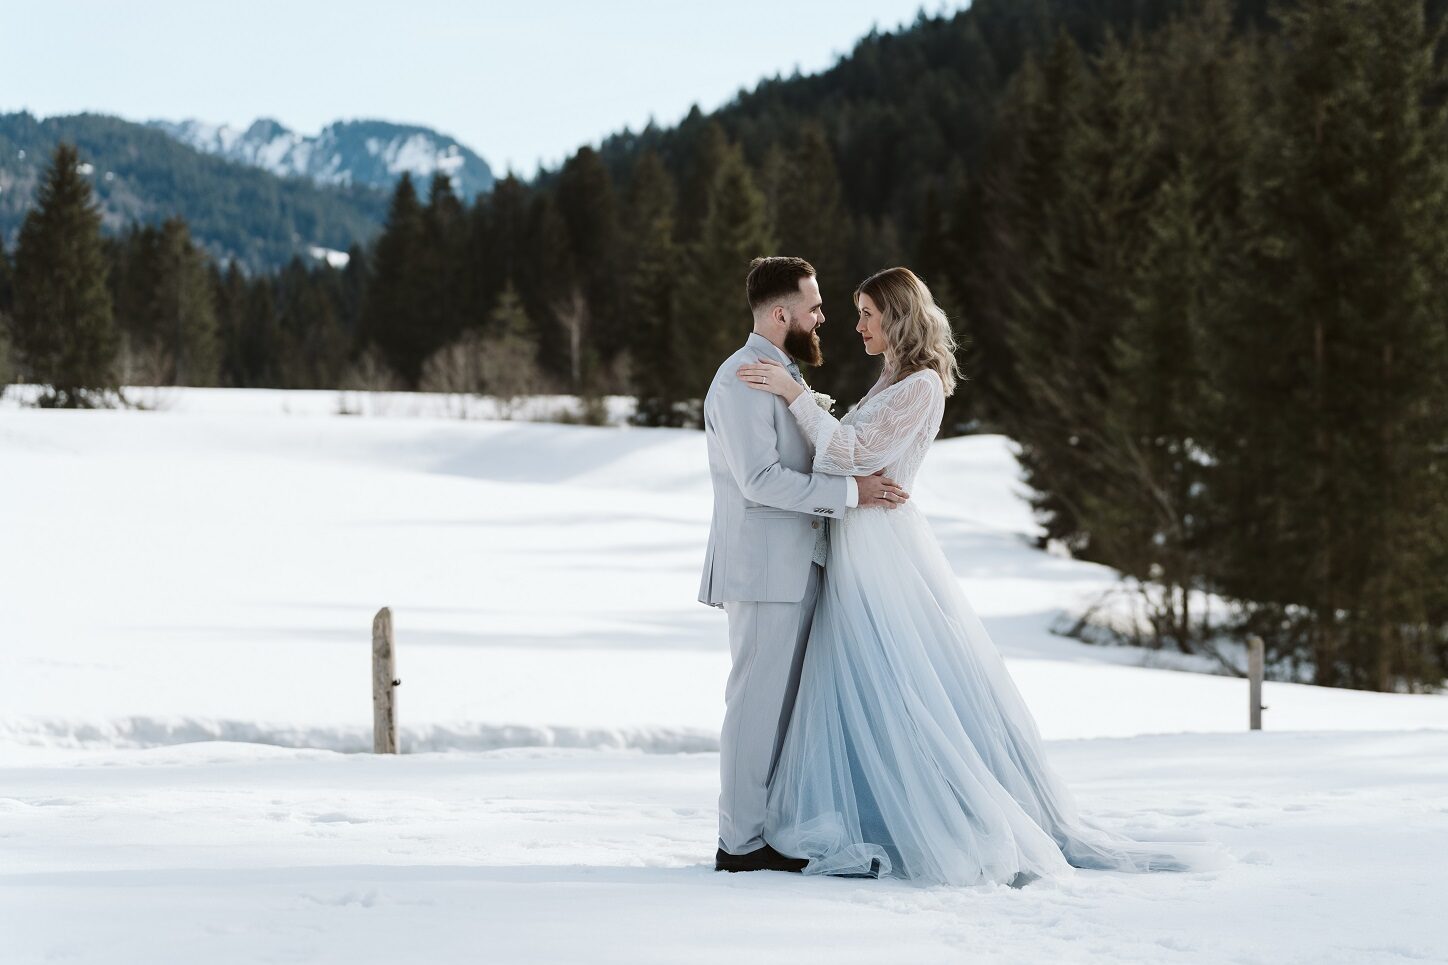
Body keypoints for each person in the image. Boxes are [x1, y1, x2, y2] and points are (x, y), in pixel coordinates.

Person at [735, 266, 1220, 885]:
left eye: (866, 314)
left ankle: (945, 813)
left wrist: (794, 394)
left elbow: (853, 454)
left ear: (898, 315)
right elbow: (850, 450)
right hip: (860, 538)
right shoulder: (892, 378)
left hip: (883, 545)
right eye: (854, 313)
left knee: (899, 675)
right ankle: (869, 804)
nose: (856, 326)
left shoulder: (922, 385)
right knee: (859, 675)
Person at [698, 256, 910, 873]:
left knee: (780, 710)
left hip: (793, 567)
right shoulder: (741, 378)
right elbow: (760, 480)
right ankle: (738, 846)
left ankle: (766, 832)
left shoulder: (777, 373)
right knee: (755, 705)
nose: (823, 317)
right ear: (782, 313)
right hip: (764, 571)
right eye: (814, 307)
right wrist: (852, 495)